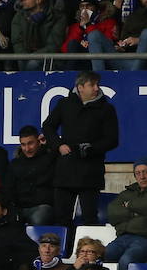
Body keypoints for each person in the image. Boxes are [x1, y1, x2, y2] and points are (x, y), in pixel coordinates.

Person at [42, 71, 119, 226]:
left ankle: (88, 251)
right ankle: (64, 250)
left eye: (97, 84)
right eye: (92, 85)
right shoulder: (65, 104)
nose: (96, 88)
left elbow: (112, 140)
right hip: (66, 170)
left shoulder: (106, 109)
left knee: (89, 218)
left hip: (91, 171)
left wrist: (91, 148)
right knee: (61, 218)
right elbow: (48, 126)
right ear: (80, 87)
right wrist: (59, 145)